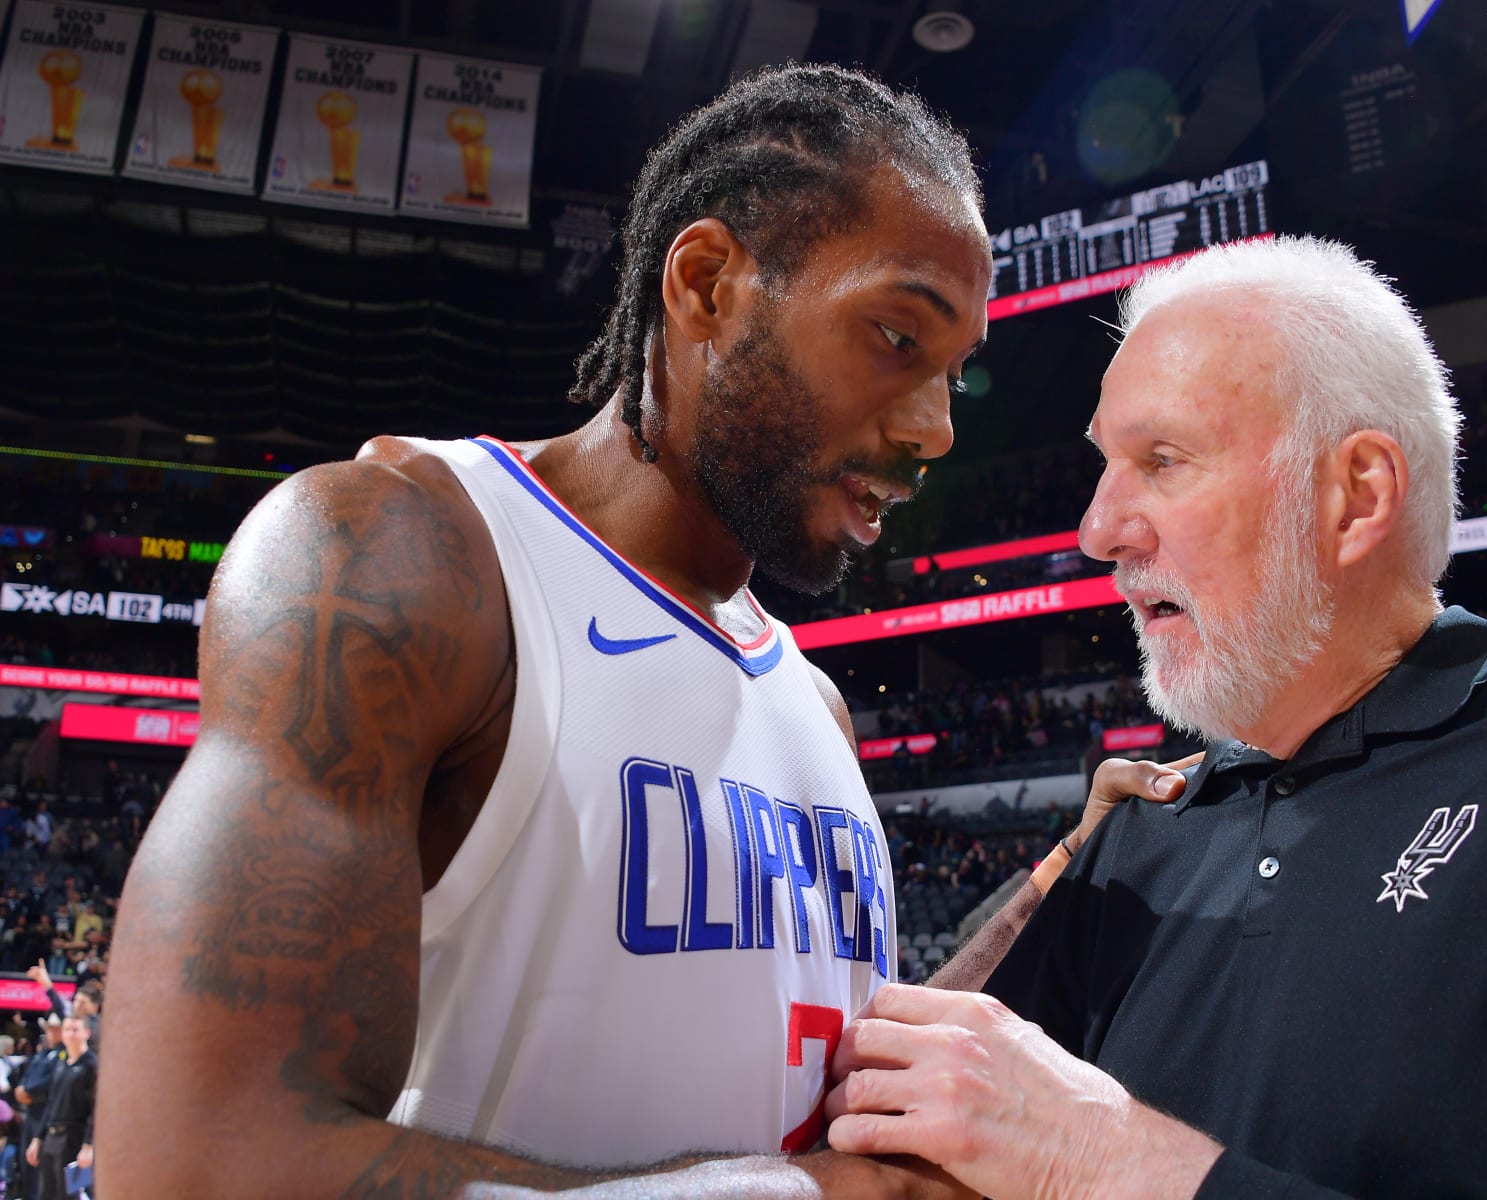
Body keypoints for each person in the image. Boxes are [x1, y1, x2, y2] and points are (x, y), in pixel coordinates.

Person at [100, 64, 992, 1198]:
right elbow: (196, 1166)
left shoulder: (813, 703)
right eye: (897, 338)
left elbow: (833, 1110)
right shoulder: (401, 558)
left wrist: (1059, 881)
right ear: (709, 285)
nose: (936, 429)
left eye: (957, 374)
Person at [826, 236, 1487, 1198]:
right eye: (1106, 466)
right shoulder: (1141, 836)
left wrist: (1113, 1161)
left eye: (1162, 459)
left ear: (1356, 495)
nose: (1096, 531)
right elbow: (896, 1112)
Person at [25, 1013, 90, 1200]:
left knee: (70, 1194)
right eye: (67, 1029)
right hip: (52, 1139)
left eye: (75, 1030)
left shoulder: (91, 1065)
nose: (70, 1034)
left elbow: (94, 1111)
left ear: (86, 1032)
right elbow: (51, 1104)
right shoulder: (61, 1064)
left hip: (74, 1139)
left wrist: (88, 1145)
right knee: (47, 1192)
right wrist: (38, 1138)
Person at [15, 1015, 62, 1199]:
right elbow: (29, 1074)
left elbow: (51, 1083)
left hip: (45, 1114)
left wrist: (30, 1091)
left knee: (40, 1163)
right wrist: (21, 1088)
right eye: (48, 1028)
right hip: (31, 1115)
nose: (49, 1032)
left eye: (53, 1028)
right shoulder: (42, 1053)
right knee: (26, 1162)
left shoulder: (62, 1055)